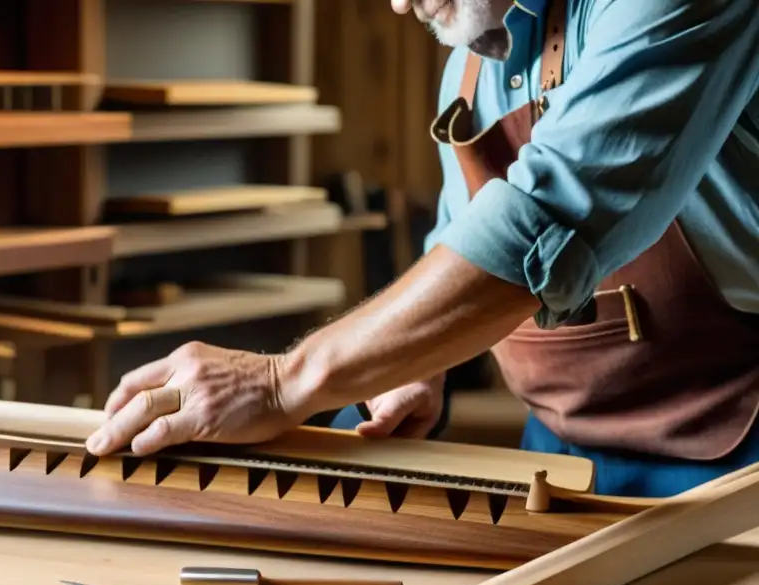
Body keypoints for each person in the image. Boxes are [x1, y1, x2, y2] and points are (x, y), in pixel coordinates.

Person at [86, 0, 759, 498]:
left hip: (738, 456)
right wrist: (416, 363)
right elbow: (460, 236)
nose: (399, 4)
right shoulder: (472, 57)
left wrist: (282, 382)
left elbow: (548, 218)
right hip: (559, 461)